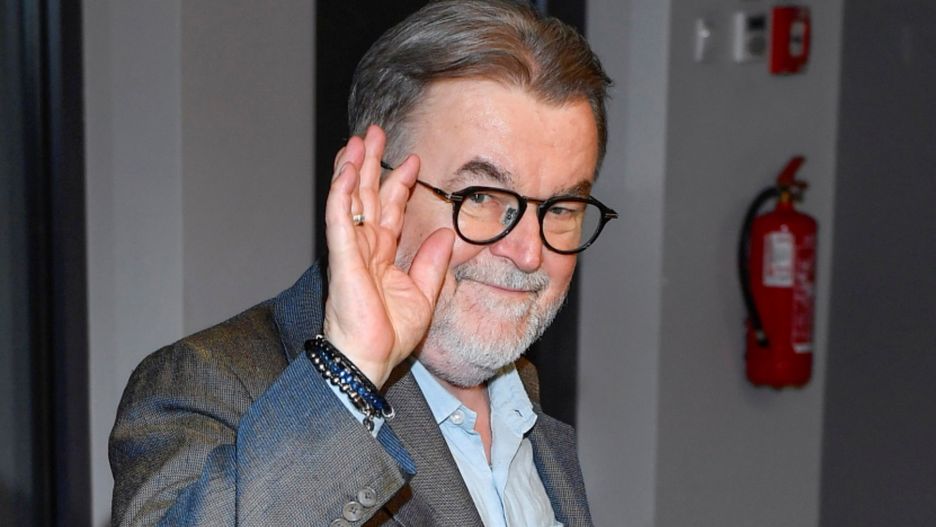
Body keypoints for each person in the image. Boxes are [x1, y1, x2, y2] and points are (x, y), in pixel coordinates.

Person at [109, 1, 615, 525]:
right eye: (481, 197)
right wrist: (348, 375)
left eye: (562, 208)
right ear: (368, 189)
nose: (529, 253)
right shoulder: (208, 386)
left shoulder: (530, 416)